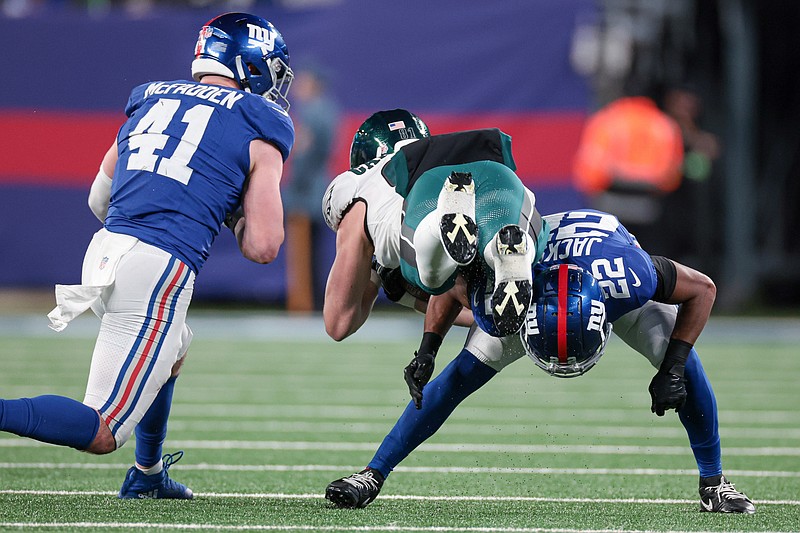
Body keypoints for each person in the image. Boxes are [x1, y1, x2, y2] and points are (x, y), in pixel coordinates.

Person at [0, 12, 294, 500]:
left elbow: (99, 200)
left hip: (107, 252)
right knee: (103, 429)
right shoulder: (260, 122)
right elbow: (263, 246)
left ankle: (149, 474)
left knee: (174, 347)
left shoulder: (151, 98)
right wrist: (227, 210)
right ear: (252, 64)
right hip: (158, 265)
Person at [325, 209, 755, 515]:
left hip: (597, 266)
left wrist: (674, 366)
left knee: (686, 365)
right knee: (455, 378)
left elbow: (704, 289)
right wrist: (428, 350)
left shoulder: (629, 278)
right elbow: (452, 289)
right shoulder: (507, 293)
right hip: (532, 278)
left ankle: (714, 482)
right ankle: (373, 473)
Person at [322, 109, 549, 342]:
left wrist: (376, 275)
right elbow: (468, 309)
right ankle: (508, 253)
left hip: (424, 198)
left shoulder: (358, 186)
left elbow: (339, 323)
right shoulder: (434, 153)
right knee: (518, 246)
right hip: (498, 172)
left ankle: (440, 219)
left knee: (431, 275)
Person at [282, 66, 340, 312]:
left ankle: (304, 306)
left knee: (303, 255)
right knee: (316, 254)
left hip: (306, 194)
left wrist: (293, 189)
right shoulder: (327, 109)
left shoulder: (312, 112)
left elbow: (305, 155)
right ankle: (316, 303)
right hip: (319, 191)